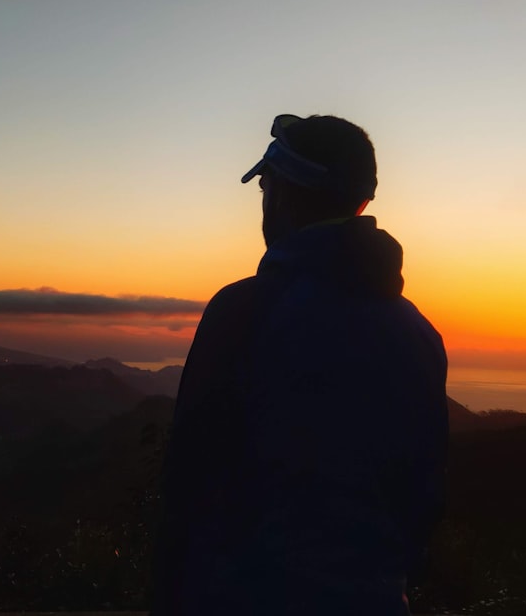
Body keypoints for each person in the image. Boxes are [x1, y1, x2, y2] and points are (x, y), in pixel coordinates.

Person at [152, 114, 448, 615]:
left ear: (286, 194)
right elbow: (421, 496)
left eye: (266, 184)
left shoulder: (245, 310)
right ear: (361, 201)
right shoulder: (418, 333)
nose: (264, 202)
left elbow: (189, 485)